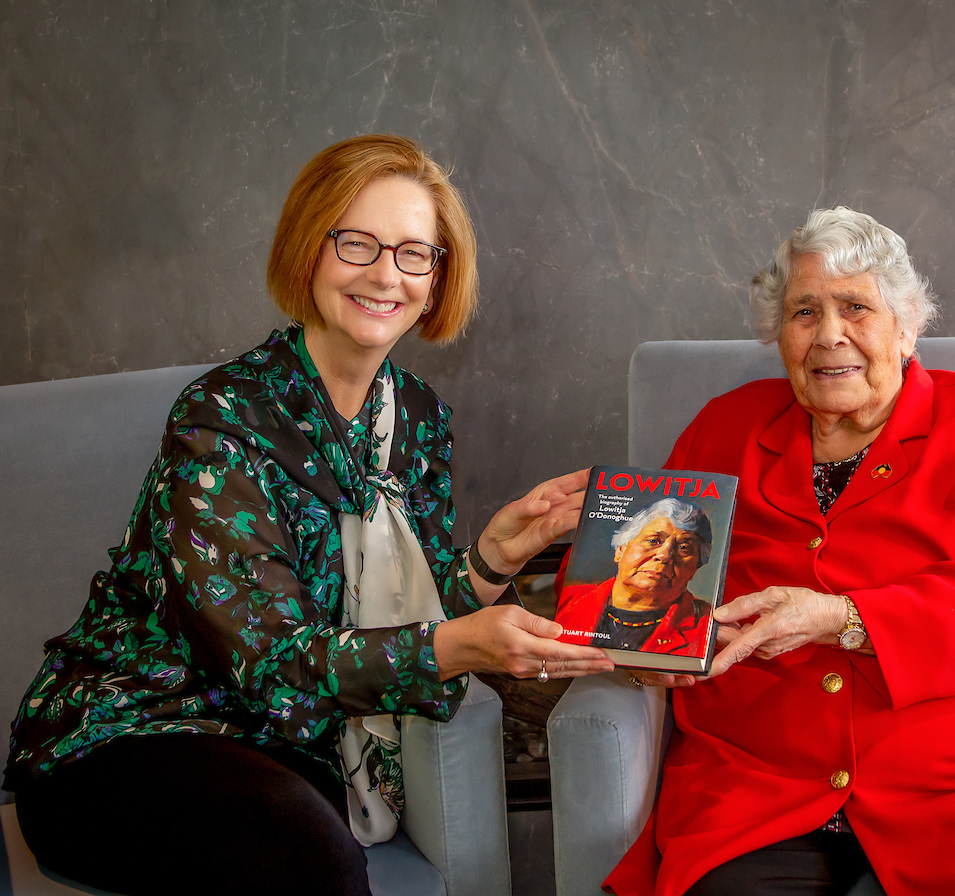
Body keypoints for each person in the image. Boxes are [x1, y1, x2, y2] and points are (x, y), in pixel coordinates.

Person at [2, 134, 614, 896]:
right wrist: (460, 646)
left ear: (437, 276)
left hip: (289, 748)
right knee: (307, 849)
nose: (386, 274)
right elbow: (274, 663)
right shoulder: (222, 419)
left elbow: (395, 630)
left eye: (414, 253)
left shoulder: (419, 420)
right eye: (358, 243)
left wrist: (489, 562)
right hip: (129, 738)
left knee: (306, 833)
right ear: (310, 248)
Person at [606, 208, 955, 896]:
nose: (829, 335)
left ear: (907, 328)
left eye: (855, 307)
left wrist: (845, 617)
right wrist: (641, 652)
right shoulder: (720, 431)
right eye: (804, 312)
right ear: (779, 336)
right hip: (756, 795)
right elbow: (644, 597)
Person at [555, 498, 714, 655]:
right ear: (620, 550)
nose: (664, 555)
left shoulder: (707, 624)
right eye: (653, 541)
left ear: (696, 567)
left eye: (684, 548)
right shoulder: (573, 598)